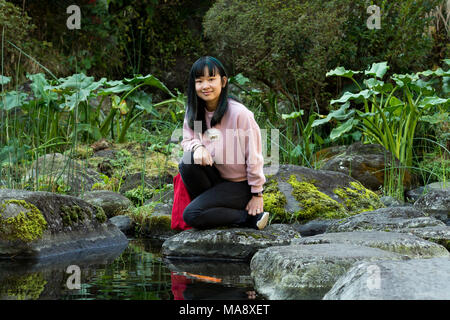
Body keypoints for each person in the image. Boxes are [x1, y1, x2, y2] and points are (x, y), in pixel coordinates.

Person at [178, 56, 269, 230]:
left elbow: (254, 156)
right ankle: (210, 207)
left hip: (239, 185)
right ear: (193, 84)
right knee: (187, 162)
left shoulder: (239, 114)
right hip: (215, 177)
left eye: (211, 79)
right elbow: (188, 139)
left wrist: (257, 193)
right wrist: (198, 147)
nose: (205, 86)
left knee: (191, 215)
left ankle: (249, 219)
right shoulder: (195, 111)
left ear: (223, 81)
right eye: (199, 81)